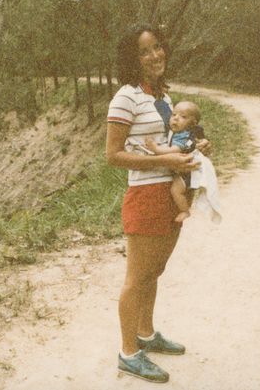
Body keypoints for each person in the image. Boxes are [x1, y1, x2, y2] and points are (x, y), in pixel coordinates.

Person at [106, 23, 211, 383]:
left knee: (155, 272)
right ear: (132, 60)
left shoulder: (164, 98)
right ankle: (128, 352)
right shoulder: (125, 97)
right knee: (136, 278)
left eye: (158, 47)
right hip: (145, 195)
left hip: (169, 193)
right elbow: (113, 155)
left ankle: (146, 335)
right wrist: (164, 162)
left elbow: (174, 141)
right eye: (145, 51)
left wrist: (193, 149)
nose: (155, 55)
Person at [145, 100, 206, 222]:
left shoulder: (184, 136)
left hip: (187, 172)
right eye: (174, 115)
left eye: (183, 117)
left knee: (176, 191)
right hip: (185, 169)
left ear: (192, 123)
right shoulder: (182, 132)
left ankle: (185, 211)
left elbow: (174, 150)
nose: (176, 119)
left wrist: (156, 149)